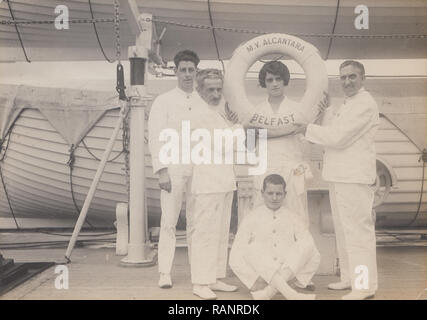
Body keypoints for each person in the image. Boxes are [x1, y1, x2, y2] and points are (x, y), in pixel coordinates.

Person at [295, 60, 379, 300]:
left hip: (354, 178)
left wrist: (307, 128)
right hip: (340, 176)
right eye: (343, 77)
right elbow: (330, 129)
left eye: (352, 77)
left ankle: (364, 286)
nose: (347, 82)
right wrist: (321, 116)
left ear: (363, 78)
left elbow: (338, 138)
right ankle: (350, 278)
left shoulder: (365, 104)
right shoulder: (346, 105)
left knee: (357, 233)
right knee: (343, 231)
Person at [148, 50, 203, 289]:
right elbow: (155, 137)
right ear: (176, 71)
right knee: (169, 221)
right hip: (174, 167)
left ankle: (199, 272)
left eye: (192, 70)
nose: (188, 74)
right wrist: (161, 170)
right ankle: (164, 272)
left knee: (196, 222)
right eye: (183, 70)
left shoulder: (203, 101)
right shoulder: (164, 101)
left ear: (197, 72)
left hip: (200, 169)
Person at [185, 68, 240, 299]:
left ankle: (214, 278)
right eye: (211, 89)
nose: (216, 94)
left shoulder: (216, 113)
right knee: (205, 233)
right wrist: (239, 127)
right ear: (199, 90)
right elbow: (224, 145)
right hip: (208, 183)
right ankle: (200, 282)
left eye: (219, 89)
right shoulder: (199, 114)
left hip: (223, 181)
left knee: (219, 232)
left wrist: (232, 125)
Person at [229, 174, 320, 300]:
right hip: (261, 274)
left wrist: (290, 278)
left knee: (308, 245)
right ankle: (291, 295)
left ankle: (269, 292)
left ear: (285, 194)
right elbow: (235, 256)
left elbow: (310, 249)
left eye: (279, 193)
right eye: (270, 193)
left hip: (287, 272)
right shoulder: (252, 217)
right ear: (262, 193)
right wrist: (256, 280)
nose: (274, 197)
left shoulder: (292, 216)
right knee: (251, 248)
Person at [251, 61, 312, 227]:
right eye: (270, 80)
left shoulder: (298, 109)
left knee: (296, 217)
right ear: (264, 82)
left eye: (278, 79)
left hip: (292, 169)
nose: (275, 84)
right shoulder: (256, 112)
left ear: (285, 81)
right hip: (265, 169)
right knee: (263, 221)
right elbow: (249, 146)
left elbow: (307, 143)